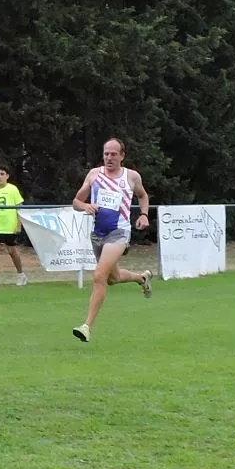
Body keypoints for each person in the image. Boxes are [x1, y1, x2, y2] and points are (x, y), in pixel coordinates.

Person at [70, 138, 153, 342]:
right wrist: (85, 206)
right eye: (106, 153)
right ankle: (142, 278)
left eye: (113, 154)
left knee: (99, 276)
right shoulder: (94, 174)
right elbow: (76, 201)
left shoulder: (131, 177)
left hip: (119, 232)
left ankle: (87, 326)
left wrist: (143, 215)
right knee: (112, 278)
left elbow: (143, 196)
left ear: (122, 156)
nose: (109, 157)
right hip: (98, 234)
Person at [0, 165, 27, 287]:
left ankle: (21, 274)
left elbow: (19, 208)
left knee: (12, 251)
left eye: (2, 174)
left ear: (7, 176)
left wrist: (18, 225)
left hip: (10, 225)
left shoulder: (13, 189)